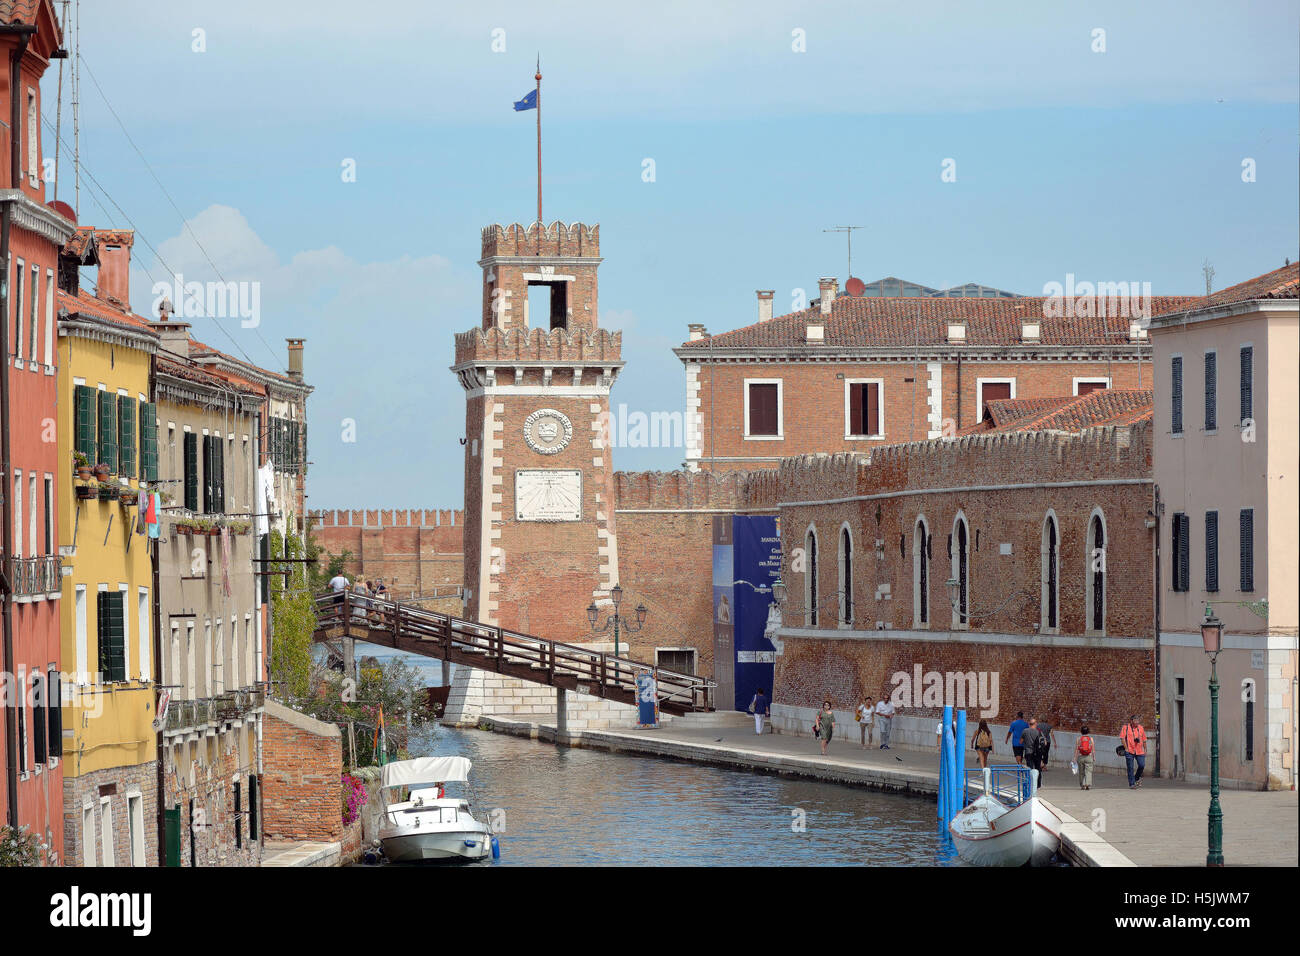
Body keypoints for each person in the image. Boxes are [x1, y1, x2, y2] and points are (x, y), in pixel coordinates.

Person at [1121, 714, 1147, 789]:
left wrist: (1145, 749)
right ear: (1131, 721)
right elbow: (1122, 738)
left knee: (1142, 765)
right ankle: (1132, 784)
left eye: (1138, 721)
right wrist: (1126, 748)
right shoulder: (1126, 728)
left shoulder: (1141, 728)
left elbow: (1144, 739)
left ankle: (1136, 778)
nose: (1137, 723)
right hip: (1129, 750)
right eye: (1135, 721)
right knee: (1130, 767)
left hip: (1139, 750)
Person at [1020, 718, 1044, 788]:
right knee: (1038, 768)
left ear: (1029, 724)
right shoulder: (1038, 732)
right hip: (1037, 753)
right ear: (1035, 724)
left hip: (1028, 752)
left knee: (1029, 768)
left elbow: (1020, 741)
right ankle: (1038, 784)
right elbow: (1044, 742)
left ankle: (1030, 783)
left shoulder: (1025, 731)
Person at [1075, 724, 1096, 790]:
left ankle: (1082, 785)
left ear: (1081, 732)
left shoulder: (1079, 739)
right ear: (1088, 732)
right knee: (1088, 771)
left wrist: (1075, 758)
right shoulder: (1091, 739)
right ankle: (1087, 784)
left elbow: (1077, 749)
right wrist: (1094, 757)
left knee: (1081, 772)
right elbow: (1093, 749)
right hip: (1089, 757)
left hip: (1081, 757)